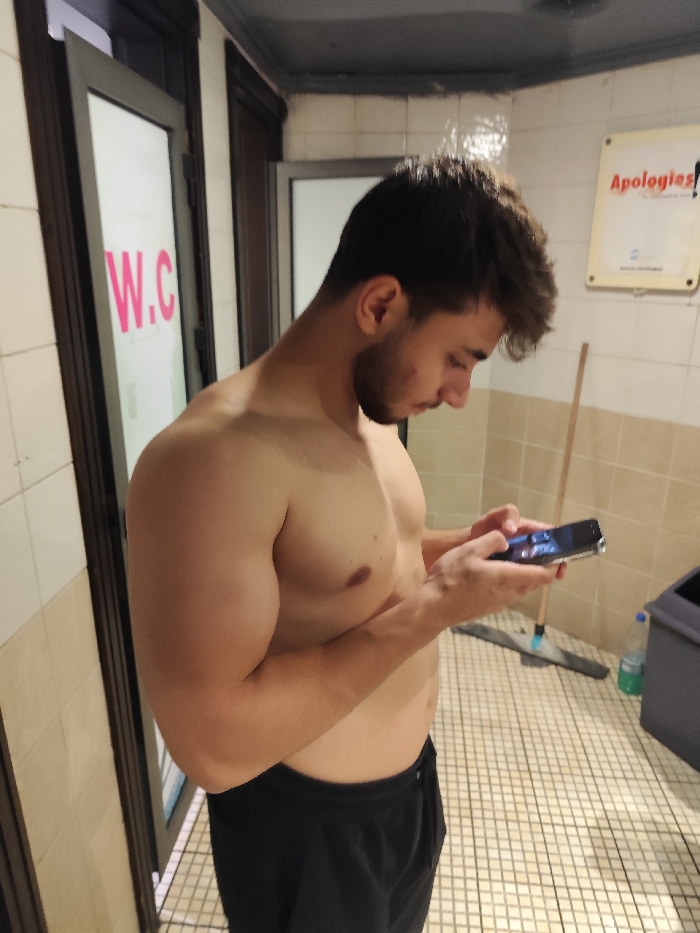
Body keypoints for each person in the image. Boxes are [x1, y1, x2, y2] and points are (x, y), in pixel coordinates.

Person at [126, 155, 565, 933]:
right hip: (305, 837)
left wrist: (460, 550)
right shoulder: (214, 458)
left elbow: (360, 567)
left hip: (405, 800)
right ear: (381, 303)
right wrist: (436, 609)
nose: (459, 393)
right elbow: (210, 745)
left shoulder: (371, 419)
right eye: (458, 358)